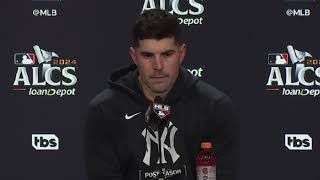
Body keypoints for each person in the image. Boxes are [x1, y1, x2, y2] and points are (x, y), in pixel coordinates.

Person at [84, 8, 238, 180]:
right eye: (148, 55)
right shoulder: (105, 111)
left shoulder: (214, 107)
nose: (158, 66)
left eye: (167, 54)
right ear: (134, 56)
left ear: (182, 53)